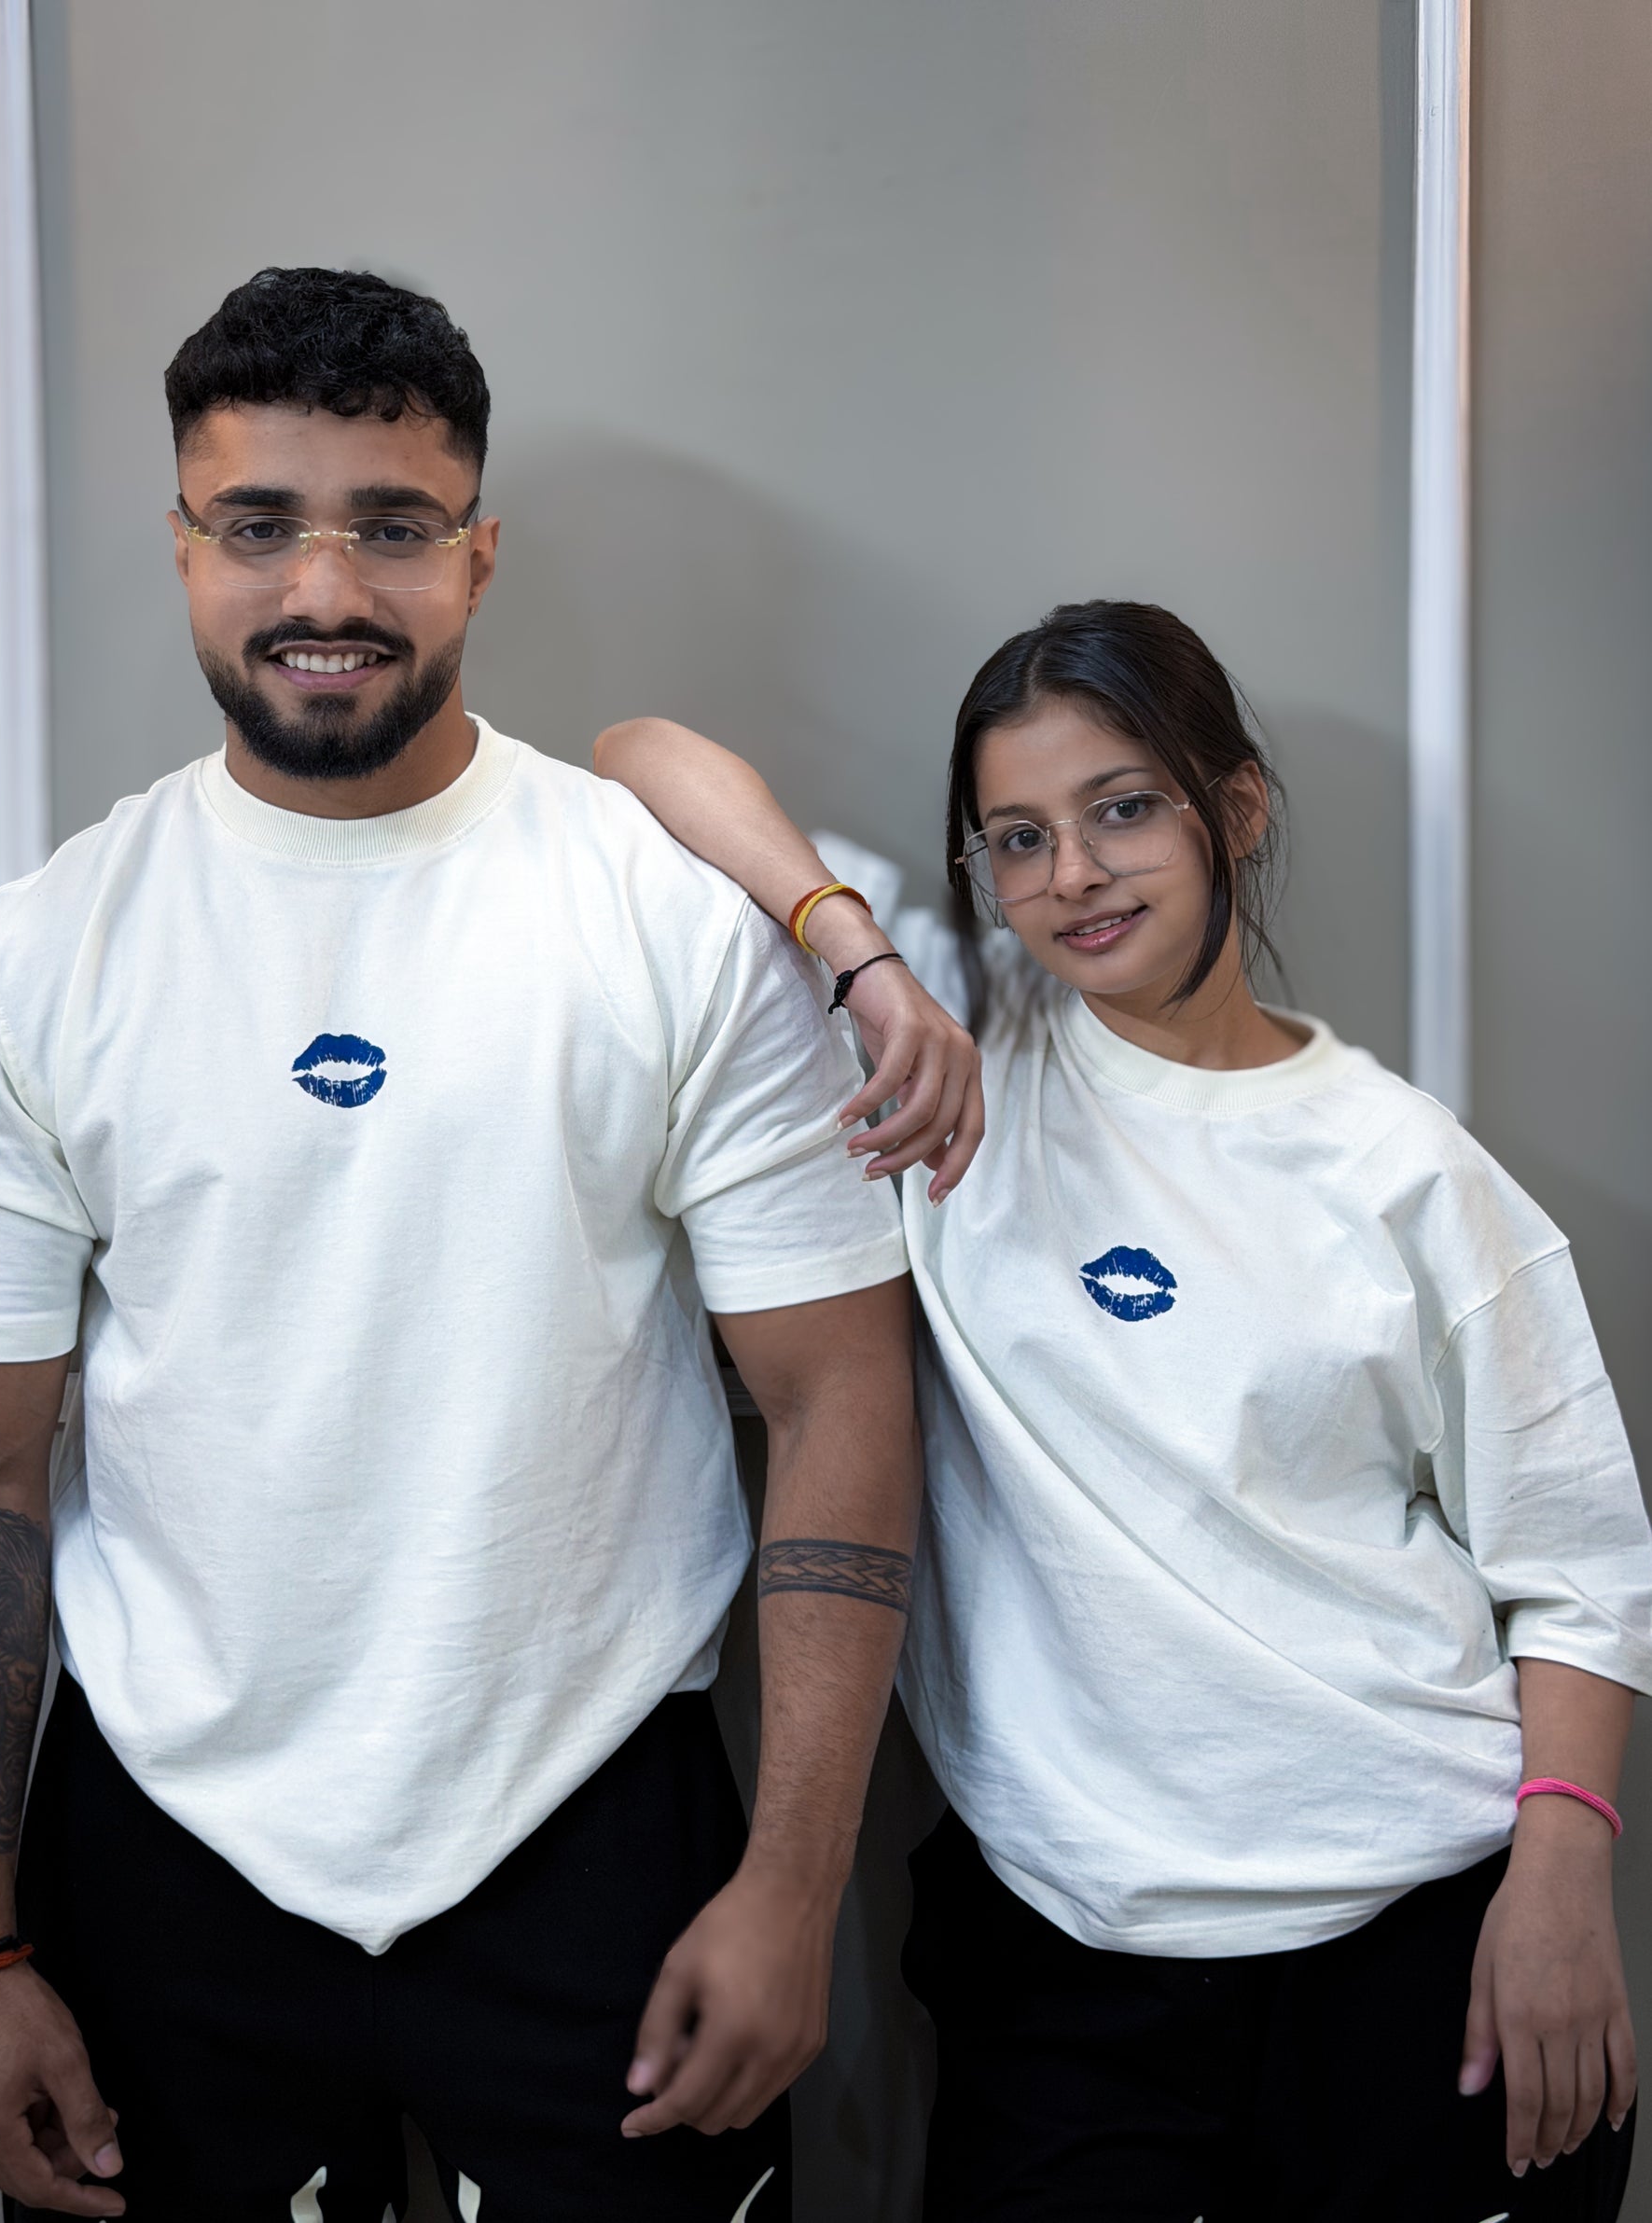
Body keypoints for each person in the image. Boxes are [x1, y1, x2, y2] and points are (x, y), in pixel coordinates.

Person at [0, 266, 923, 2223]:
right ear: (183, 544)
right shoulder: (30, 965)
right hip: (165, 1846)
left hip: (599, 1822)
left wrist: (789, 1885)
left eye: (390, 525)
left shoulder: (667, 918)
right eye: (258, 524)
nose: (322, 587)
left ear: (478, 552)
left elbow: (838, 1388)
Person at [594, 597, 1652, 2220]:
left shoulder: (1407, 1171)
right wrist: (864, 959)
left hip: (1417, 1934)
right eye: (1016, 838)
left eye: (1122, 809)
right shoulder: (953, 1058)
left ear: (1236, 808)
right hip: (1063, 1962)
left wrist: (1565, 1876)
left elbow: (1577, 1567)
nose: (1070, 874)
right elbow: (639, 755)